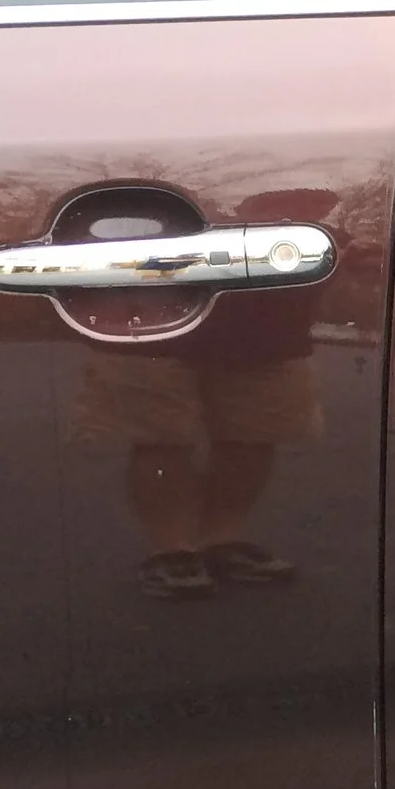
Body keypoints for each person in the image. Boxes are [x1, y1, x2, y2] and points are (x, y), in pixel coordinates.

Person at [68, 189, 333, 598]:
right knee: (161, 439)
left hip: (267, 321)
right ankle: (171, 550)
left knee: (254, 436)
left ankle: (221, 541)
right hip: (151, 318)